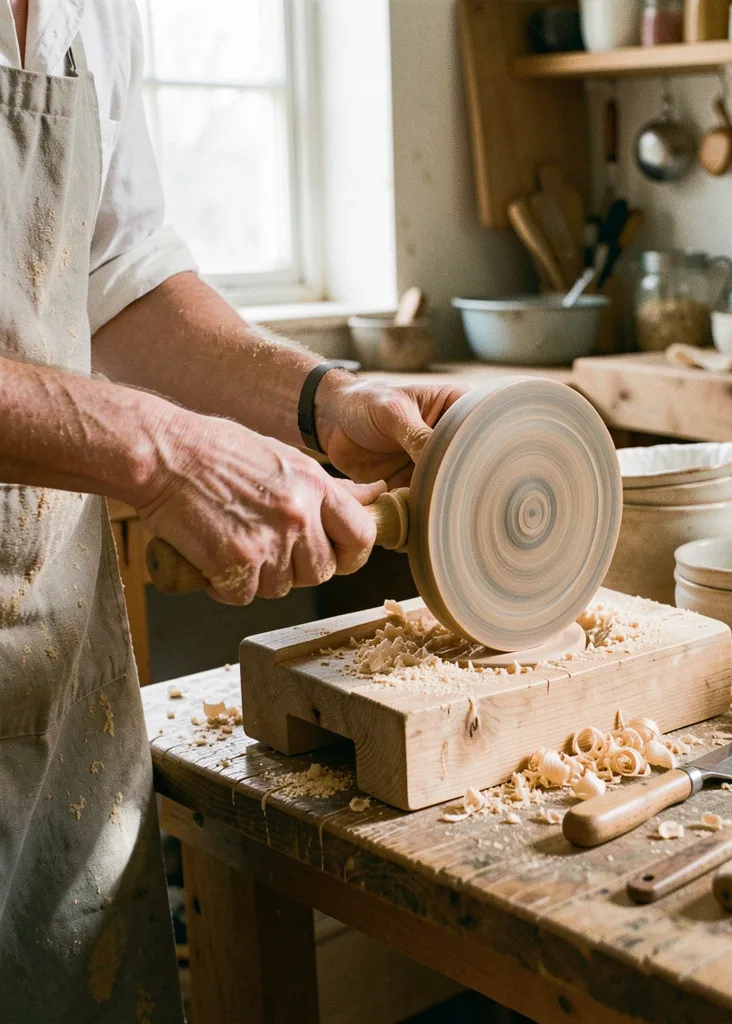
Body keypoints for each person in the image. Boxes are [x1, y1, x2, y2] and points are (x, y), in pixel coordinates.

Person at [0, 1, 466, 1019]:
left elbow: (120, 286)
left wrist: (322, 401)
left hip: (46, 682)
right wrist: (160, 450)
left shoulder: (92, 13)